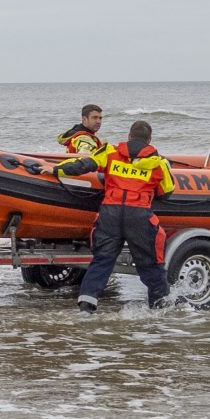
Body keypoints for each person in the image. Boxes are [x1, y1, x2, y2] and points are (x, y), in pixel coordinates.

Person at [56, 119, 176, 313]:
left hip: (110, 213)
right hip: (138, 215)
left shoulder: (110, 152)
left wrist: (55, 169)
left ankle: (86, 308)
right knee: (150, 264)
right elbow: (167, 191)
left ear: (129, 136)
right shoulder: (158, 163)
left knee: (102, 260)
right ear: (149, 140)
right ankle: (159, 309)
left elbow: (84, 164)